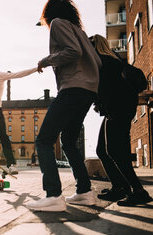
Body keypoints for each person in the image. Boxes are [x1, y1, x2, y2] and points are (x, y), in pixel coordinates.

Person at [26, 0, 101, 212]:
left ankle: (53, 195)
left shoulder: (58, 23)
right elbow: (96, 61)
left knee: (44, 140)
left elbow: (72, 52)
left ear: (48, 14)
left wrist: (46, 60)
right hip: (88, 91)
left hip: (73, 88)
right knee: (68, 141)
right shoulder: (79, 30)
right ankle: (85, 192)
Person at [90, 34, 153, 206]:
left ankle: (138, 190)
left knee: (116, 152)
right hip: (119, 110)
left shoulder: (105, 63)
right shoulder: (113, 61)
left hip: (118, 111)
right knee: (103, 150)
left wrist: (101, 104)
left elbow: (107, 91)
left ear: (94, 47)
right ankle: (120, 187)